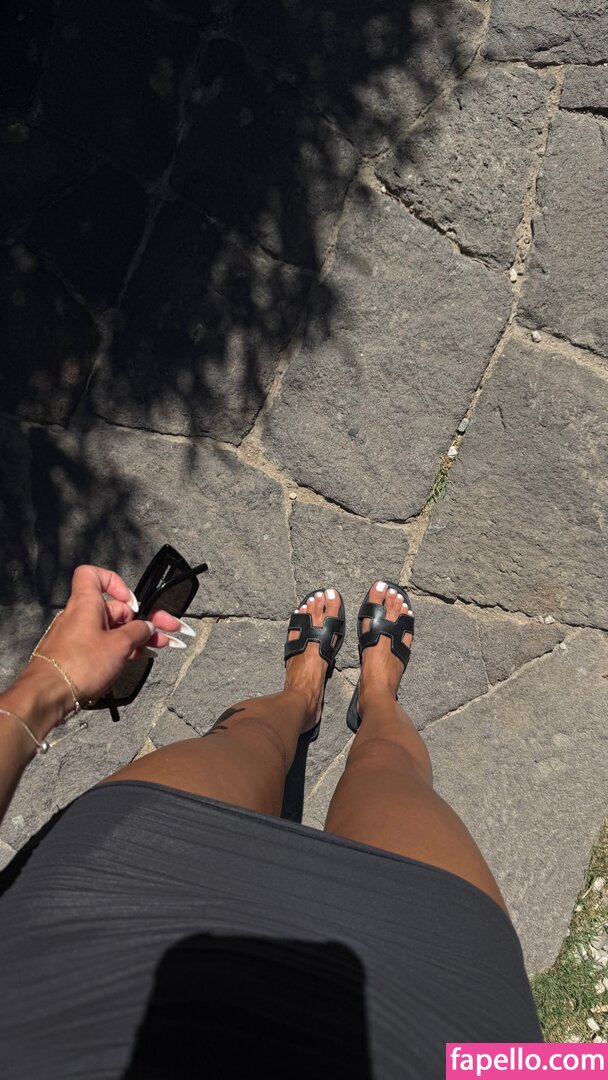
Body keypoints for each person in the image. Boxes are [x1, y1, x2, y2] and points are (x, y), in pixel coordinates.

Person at [0, 564, 541, 1079]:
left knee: (245, 738)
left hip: (80, 953)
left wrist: (48, 686)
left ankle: (304, 697)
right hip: (438, 1022)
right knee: (391, 770)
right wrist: (43, 686)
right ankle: (374, 697)